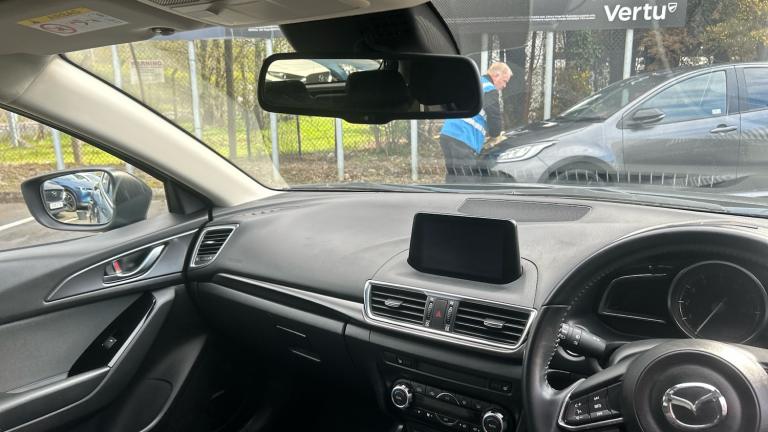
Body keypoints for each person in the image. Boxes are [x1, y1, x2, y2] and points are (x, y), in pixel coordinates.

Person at [439, 62, 512, 183]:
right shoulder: (489, 89)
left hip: (447, 135)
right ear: (496, 75)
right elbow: (494, 118)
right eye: (504, 81)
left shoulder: (473, 83)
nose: (504, 85)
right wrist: (495, 134)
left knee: (453, 175)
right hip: (463, 137)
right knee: (467, 178)